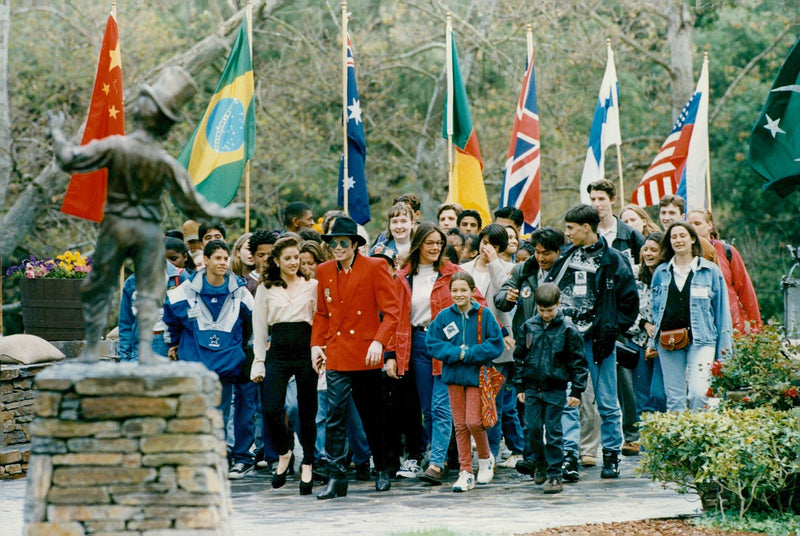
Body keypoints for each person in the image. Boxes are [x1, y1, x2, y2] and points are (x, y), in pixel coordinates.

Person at [47, 66, 240, 364]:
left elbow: (70, 159)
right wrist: (225, 210)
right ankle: (147, 351)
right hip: (149, 230)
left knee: (100, 283)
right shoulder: (164, 161)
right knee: (151, 289)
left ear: (140, 111)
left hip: (117, 224)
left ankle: (89, 351)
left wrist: (57, 132)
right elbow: (193, 205)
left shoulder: (116, 147)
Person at [544, 204, 638, 480]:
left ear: (587, 228)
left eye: (571, 228)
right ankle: (569, 456)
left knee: (608, 402)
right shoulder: (565, 257)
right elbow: (549, 291)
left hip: (598, 342)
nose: (567, 233)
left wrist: (610, 329)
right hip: (567, 341)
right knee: (568, 400)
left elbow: (629, 302)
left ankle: (611, 456)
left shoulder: (613, 259)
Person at [311, 216, 401, 499]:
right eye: (333, 243)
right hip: (337, 351)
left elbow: (392, 312)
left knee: (373, 415)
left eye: (343, 243)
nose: (337, 247)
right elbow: (322, 313)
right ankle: (337, 477)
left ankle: (383, 467)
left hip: (366, 353)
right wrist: (316, 345)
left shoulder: (375, 267)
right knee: (334, 416)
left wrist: (379, 341)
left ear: (355, 245)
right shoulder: (324, 270)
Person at [163, 240, 255, 476]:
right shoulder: (184, 291)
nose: (223, 262)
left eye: (225, 258)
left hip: (226, 364)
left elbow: (251, 324)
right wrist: (173, 343)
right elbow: (171, 319)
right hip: (195, 363)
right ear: (206, 260)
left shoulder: (240, 291)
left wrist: (240, 349)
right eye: (217, 258)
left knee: (221, 414)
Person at [389, 222, 462, 485]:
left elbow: (476, 302)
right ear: (418, 244)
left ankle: (436, 462)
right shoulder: (402, 277)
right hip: (416, 343)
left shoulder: (453, 273)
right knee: (428, 409)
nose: (434, 248)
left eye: (439, 243)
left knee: (442, 406)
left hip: (446, 343)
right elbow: (394, 317)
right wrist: (390, 354)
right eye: (429, 243)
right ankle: (440, 451)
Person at [250, 236, 318, 494]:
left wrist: (318, 352)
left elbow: (319, 322)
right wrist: (258, 362)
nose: (293, 262)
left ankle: (308, 462)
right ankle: (284, 453)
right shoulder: (266, 288)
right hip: (277, 352)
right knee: (271, 408)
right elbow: (259, 327)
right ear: (276, 261)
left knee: (307, 411)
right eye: (287, 258)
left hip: (305, 351)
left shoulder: (311, 285)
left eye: (296, 258)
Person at [426, 272, 505, 492]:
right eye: (455, 290)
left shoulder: (484, 314)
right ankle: (466, 471)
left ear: (472, 291)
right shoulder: (444, 316)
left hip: (476, 376)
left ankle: (485, 458)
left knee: (473, 422)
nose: (459, 294)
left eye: (463, 290)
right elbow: (432, 342)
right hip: (453, 377)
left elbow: (495, 344)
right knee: (459, 425)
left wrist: (469, 354)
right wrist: (454, 353)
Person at [512, 283, 588, 494]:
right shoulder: (528, 326)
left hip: (556, 387)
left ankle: (555, 473)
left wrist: (576, 391)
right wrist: (519, 386)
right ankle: (540, 462)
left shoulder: (568, 329)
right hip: (532, 388)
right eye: (541, 310)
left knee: (554, 431)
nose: (545, 315)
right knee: (532, 429)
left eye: (550, 310)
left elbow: (578, 363)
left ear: (558, 304)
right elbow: (519, 358)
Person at [650, 222, 733, 412]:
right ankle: (678, 440)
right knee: (674, 399)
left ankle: (698, 437)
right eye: (673, 237)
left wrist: (724, 351)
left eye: (682, 236)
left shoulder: (710, 271)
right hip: (669, 341)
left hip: (702, 339)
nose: (678, 240)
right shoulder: (661, 273)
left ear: (693, 239)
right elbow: (656, 311)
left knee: (699, 393)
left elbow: (721, 313)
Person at [461, 224, 524, 469]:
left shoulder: (508, 269)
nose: (488, 248)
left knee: (493, 404)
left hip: (498, 342)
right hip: (467, 342)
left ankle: (491, 455)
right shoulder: (464, 268)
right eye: (485, 242)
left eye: (495, 245)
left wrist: (494, 261)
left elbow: (505, 293)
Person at [687, 208, 762, 334]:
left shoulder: (727, 251)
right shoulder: (682, 255)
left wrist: (756, 326)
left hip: (731, 324)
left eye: (697, 223)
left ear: (710, 225)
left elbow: (746, 291)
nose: (693, 228)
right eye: (689, 225)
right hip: (698, 325)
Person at [118, 244, 189, 362]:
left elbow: (192, 319)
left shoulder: (179, 278)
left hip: (169, 347)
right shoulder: (131, 283)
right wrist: (124, 358)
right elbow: (126, 324)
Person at [629, 232, 667, 414]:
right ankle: (645, 441)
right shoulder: (634, 274)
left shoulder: (670, 274)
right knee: (642, 399)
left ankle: (664, 437)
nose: (648, 254)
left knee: (659, 394)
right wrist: (643, 323)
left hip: (664, 342)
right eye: (646, 249)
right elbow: (624, 306)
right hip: (638, 341)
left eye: (654, 250)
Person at [587, 180, 645, 269]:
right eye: (593, 199)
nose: (596, 204)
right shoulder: (585, 233)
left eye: (601, 199)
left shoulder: (631, 234)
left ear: (613, 200)